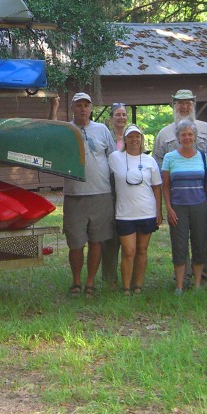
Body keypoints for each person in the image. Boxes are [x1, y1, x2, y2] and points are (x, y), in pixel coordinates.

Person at [152, 88, 207, 284]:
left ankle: (202, 275)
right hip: (177, 196)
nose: (184, 106)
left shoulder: (205, 129)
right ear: (174, 105)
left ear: (193, 105)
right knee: (179, 237)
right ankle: (183, 277)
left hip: (201, 194)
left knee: (203, 236)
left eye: (188, 102)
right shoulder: (164, 134)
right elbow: (157, 163)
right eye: (180, 103)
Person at [62, 92, 115, 297]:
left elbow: (112, 157)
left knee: (97, 240)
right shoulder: (66, 130)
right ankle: (76, 282)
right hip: (74, 194)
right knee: (75, 242)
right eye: (78, 105)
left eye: (86, 105)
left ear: (91, 108)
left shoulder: (102, 130)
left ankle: (90, 283)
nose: (83, 109)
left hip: (101, 193)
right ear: (72, 108)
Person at [108, 124, 163, 295]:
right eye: (130, 136)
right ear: (125, 139)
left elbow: (157, 187)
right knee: (128, 251)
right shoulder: (115, 158)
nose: (134, 140)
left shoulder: (149, 161)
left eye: (137, 137)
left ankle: (137, 285)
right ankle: (125, 287)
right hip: (124, 213)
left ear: (142, 139)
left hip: (146, 211)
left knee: (142, 250)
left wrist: (159, 211)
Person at [161, 119, 207, 294]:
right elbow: (166, 185)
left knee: (199, 244)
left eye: (190, 134)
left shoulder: (202, 156)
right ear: (178, 137)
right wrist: (168, 208)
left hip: (199, 206)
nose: (187, 137)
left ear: (195, 136)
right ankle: (179, 285)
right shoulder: (170, 157)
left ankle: (198, 284)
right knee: (179, 245)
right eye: (183, 134)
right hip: (178, 207)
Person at [97, 102, 128, 289]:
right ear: (111, 118)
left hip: (128, 190)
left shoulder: (133, 136)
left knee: (127, 232)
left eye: (124, 114)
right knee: (109, 233)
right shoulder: (105, 136)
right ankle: (109, 277)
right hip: (108, 187)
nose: (121, 118)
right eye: (118, 114)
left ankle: (128, 273)